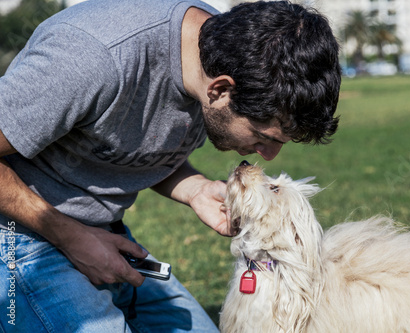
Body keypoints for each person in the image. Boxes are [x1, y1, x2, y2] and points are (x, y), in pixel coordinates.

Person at [0, 0, 341, 331]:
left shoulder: (219, 51)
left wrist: (195, 189)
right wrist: (71, 237)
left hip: (103, 234)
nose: (267, 156)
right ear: (221, 89)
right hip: (17, 234)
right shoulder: (92, 57)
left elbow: (126, 141)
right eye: (262, 136)